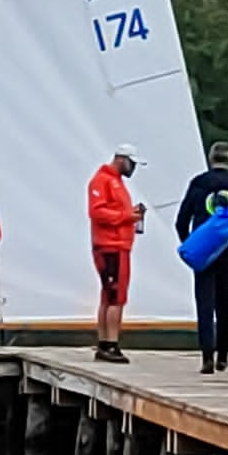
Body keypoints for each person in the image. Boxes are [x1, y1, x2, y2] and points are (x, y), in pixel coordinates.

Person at [177, 141, 228, 374]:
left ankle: (206, 358)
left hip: (204, 253)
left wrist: (191, 243)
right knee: (222, 305)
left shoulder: (198, 183)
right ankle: (223, 356)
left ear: (210, 158)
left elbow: (181, 220)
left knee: (204, 304)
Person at [88, 143, 146, 364]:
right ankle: (110, 344)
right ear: (121, 159)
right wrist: (127, 216)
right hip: (110, 245)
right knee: (115, 297)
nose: (133, 168)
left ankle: (105, 343)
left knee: (109, 296)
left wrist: (130, 215)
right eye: (132, 163)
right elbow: (97, 212)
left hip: (118, 245)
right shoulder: (102, 180)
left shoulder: (116, 182)